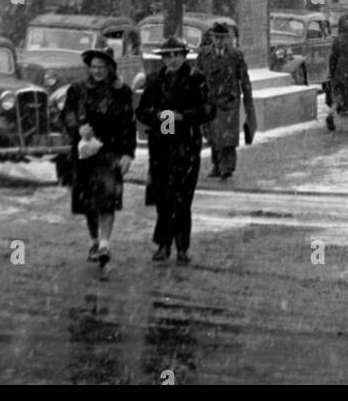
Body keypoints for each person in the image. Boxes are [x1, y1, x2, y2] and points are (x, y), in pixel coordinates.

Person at [136, 37, 213, 264]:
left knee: (183, 199)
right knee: (163, 199)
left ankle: (182, 246)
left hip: (186, 147)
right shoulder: (154, 81)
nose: (172, 60)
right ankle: (162, 244)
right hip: (161, 148)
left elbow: (208, 109)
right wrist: (156, 115)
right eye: (167, 56)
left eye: (176, 55)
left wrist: (184, 117)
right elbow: (141, 112)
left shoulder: (196, 79)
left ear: (184, 55)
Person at [62, 47, 135, 270]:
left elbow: (128, 125)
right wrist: (78, 127)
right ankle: (94, 240)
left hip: (110, 152)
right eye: (93, 67)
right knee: (88, 204)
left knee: (107, 200)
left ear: (110, 68)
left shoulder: (122, 92)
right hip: (85, 154)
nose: (97, 72)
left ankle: (105, 244)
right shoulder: (77, 90)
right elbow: (66, 115)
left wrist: (128, 154)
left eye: (101, 67)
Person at [196, 21, 256, 180]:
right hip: (211, 101)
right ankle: (217, 165)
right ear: (212, 38)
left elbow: (244, 80)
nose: (219, 41)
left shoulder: (235, 56)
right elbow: (197, 77)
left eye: (222, 38)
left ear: (227, 39)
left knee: (228, 138)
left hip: (229, 102)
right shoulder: (204, 55)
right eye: (216, 38)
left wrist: (248, 104)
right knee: (214, 136)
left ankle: (227, 168)